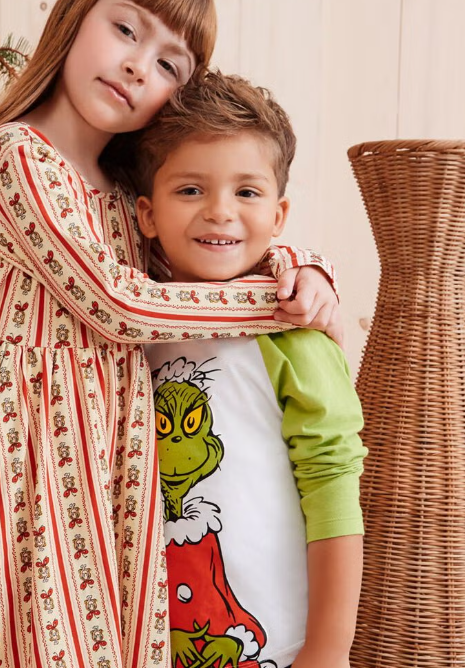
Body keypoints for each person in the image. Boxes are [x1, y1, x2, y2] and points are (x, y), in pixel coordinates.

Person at [0, 0, 342, 667]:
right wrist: (280, 302)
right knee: (17, 637)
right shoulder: (18, 155)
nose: (139, 67)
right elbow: (119, 303)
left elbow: (200, 261)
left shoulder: (122, 192)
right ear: (72, 18)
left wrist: (297, 261)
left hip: (112, 455)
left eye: (169, 64)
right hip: (26, 447)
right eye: (125, 30)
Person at [133, 71, 366, 668]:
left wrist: (328, 648)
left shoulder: (295, 332)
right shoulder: (131, 335)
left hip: (278, 645)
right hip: (150, 640)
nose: (220, 212)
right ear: (147, 213)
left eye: (247, 191)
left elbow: (334, 488)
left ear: (279, 214)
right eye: (190, 189)